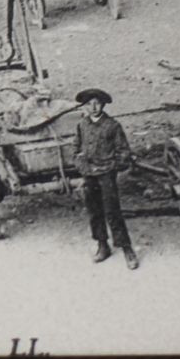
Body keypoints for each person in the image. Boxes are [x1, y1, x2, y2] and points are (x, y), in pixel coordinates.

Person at [72, 88, 138, 270]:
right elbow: (76, 148)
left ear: (103, 105)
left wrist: (112, 166)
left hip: (106, 174)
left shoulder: (112, 125)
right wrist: (81, 165)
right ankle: (102, 245)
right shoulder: (82, 125)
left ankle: (126, 248)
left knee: (112, 210)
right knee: (94, 211)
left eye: (97, 103)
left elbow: (123, 151)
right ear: (84, 107)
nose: (93, 107)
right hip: (89, 174)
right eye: (89, 104)